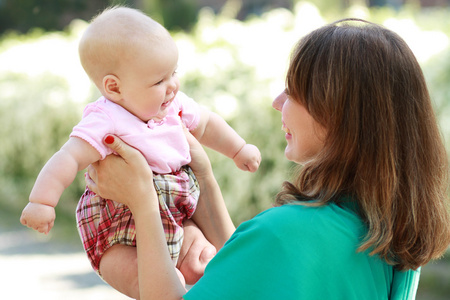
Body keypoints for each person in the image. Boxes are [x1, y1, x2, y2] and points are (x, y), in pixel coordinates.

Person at [86, 18, 450, 299]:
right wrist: (204, 176)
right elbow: (248, 276)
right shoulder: (384, 233)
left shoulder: (286, 234)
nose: (278, 101)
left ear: (338, 113)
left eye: (294, 90)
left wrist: (143, 201)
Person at [19, 6, 260, 298]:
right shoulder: (105, 119)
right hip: (117, 228)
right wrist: (42, 201)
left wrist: (238, 150)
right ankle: (161, 280)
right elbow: (68, 157)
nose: (172, 86)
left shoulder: (173, 106)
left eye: (173, 73)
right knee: (143, 279)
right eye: (158, 81)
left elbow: (208, 124)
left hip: (176, 214)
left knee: (203, 260)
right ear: (114, 87)